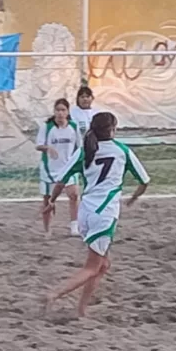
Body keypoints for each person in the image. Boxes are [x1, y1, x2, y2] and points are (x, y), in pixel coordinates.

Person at [41, 112, 150, 317]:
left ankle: (82, 310)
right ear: (113, 129)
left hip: (85, 212)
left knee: (103, 264)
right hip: (104, 213)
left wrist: (51, 201)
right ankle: (54, 294)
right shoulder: (122, 151)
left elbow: (62, 179)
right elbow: (145, 181)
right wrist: (133, 199)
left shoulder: (85, 150)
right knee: (92, 267)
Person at [36, 98, 80, 237]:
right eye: (58, 110)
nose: (60, 113)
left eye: (63, 110)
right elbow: (38, 145)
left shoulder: (74, 126)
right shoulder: (47, 127)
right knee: (48, 200)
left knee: (74, 195)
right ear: (54, 111)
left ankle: (74, 226)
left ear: (67, 112)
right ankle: (47, 230)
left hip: (68, 167)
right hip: (50, 170)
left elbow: (80, 146)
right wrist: (48, 148)